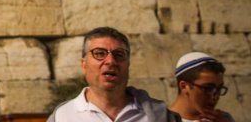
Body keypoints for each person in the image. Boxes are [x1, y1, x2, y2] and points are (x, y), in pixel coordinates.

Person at [48, 27, 181, 121]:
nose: (111, 61)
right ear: (84, 64)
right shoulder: (62, 116)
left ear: (128, 64)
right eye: (99, 53)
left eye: (119, 54)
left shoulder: (160, 115)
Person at [169, 52, 235, 122]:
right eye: (208, 88)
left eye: (219, 89)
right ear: (184, 86)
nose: (215, 97)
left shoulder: (224, 119)